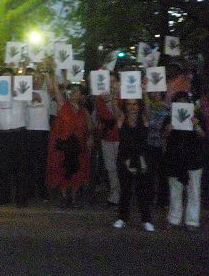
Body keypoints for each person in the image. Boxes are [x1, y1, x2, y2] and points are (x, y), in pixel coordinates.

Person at [46, 80, 92, 208]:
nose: (72, 92)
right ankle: (65, 197)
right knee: (62, 169)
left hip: (78, 145)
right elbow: (55, 90)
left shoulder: (84, 111)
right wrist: (54, 73)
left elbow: (90, 128)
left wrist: (90, 137)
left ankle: (73, 197)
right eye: (72, 90)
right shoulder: (63, 105)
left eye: (76, 91)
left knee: (79, 170)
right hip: (64, 144)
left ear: (82, 96)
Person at [163, 92, 206, 230]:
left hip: (193, 159)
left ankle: (192, 220)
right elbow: (163, 136)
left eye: (185, 102)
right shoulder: (169, 118)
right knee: (175, 189)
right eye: (179, 102)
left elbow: (203, 135)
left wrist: (196, 126)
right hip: (175, 159)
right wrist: (168, 130)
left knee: (193, 190)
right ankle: (174, 218)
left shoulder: (197, 116)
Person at [0, 68, 29, 206]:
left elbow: (32, 98)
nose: (7, 80)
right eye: (3, 77)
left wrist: (15, 92)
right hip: (1, 135)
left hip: (18, 134)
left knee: (20, 168)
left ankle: (21, 197)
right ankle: (4, 196)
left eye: (10, 77)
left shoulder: (22, 91)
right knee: (2, 168)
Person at [112, 99, 155, 232]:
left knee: (142, 190)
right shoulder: (121, 119)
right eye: (129, 104)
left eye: (135, 104)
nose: (132, 107)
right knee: (125, 189)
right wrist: (114, 94)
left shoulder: (144, 118)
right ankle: (122, 218)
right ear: (125, 106)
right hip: (124, 158)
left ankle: (146, 220)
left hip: (141, 158)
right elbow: (114, 107)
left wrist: (145, 93)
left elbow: (148, 107)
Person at [95, 73, 121, 206]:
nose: (111, 84)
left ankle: (122, 192)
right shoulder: (100, 98)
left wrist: (113, 101)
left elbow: (117, 116)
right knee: (110, 167)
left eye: (113, 81)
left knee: (120, 165)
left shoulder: (122, 97)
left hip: (119, 136)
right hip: (106, 137)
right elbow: (102, 116)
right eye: (109, 82)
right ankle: (115, 193)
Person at [26, 68, 51, 202]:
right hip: (28, 130)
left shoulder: (46, 93)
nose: (36, 81)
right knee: (29, 162)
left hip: (42, 131)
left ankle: (42, 190)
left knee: (42, 163)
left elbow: (53, 88)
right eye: (33, 78)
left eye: (38, 78)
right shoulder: (24, 92)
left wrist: (47, 72)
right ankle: (29, 190)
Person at [144, 91, 170, 207]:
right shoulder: (151, 108)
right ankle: (149, 198)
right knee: (150, 173)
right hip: (151, 144)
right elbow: (147, 112)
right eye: (154, 93)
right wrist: (144, 93)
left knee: (163, 174)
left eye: (158, 93)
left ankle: (162, 201)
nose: (156, 95)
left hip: (163, 146)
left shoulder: (168, 109)